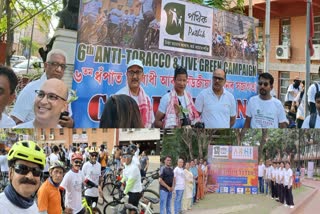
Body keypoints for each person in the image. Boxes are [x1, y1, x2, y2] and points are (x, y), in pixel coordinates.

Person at [11, 49, 74, 127]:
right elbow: (14, 121)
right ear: (46, 65)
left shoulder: (66, 93)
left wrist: (70, 124)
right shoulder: (31, 89)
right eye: (55, 64)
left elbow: (68, 118)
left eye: (62, 66)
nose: (59, 69)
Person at [0, 140, 46, 213]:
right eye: (22, 168)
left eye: (36, 171)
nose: (30, 176)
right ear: (10, 173)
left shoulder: (33, 205)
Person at [116, 59, 154, 128]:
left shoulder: (147, 100)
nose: (134, 76)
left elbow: (150, 124)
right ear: (127, 75)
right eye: (131, 72)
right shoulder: (118, 98)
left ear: (143, 76)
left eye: (138, 72)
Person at [121, 146, 142, 214]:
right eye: (124, 156)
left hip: (135, 192)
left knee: (131, 211)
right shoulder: (127, 165)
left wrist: (124, 192)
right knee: (131, 207)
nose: (126, 158)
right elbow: (126, 176)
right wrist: (120, 182)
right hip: (131, 190)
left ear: (132, 157)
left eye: (128, 156)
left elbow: (130, 182)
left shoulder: (134, 168)